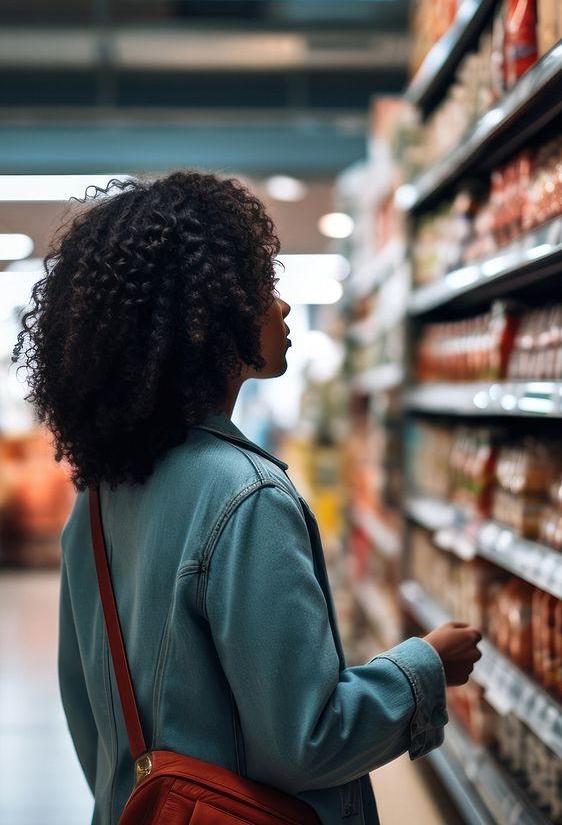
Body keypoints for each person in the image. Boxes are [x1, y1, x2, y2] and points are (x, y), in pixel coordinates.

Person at [12, 170, 482, 825]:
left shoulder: (97, 495)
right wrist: (424, 667)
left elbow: (87, 713)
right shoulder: (248, 497)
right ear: (208, 318)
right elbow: (307, 743)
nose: (281, 309)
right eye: (263, 289)